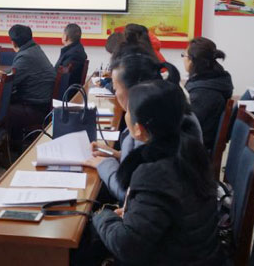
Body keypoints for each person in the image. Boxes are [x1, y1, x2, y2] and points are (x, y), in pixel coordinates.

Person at [72, 80, 233, 266]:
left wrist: (101, 215)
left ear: (139, 129)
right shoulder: (190, 152)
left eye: (128, 111)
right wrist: (133, 214)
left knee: (78, 257)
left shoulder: (154, 174)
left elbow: (126, 246)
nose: (126, 114)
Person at [84, 52, 202, 202]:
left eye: (115, 87)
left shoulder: (153, 123)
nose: (114, 92)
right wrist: (117, 154)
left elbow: (129, 192)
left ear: (134, 89)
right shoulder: (165, 105)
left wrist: (105, 164)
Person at [6, 25, 56, 147]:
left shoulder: (25, 56)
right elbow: (15, 74)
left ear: (13, 42)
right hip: (41, 105)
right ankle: (11, 145)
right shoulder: (35, 49)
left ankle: (5, 147)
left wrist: (2, 77)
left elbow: (9, 83)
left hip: (34, 109)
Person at [183, 37, 234, 151]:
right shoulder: (214, 81)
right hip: (198, 143)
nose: (183, 59)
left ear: (192, 60)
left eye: (184, 55)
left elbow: (188, 126)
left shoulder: (203, 93)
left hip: (195, 150)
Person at [55, 23, 88, 88]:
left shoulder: (73, 55)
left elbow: (60, 76)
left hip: (66, 91)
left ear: (65, 37)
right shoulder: (77, 50)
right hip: (70, 89)